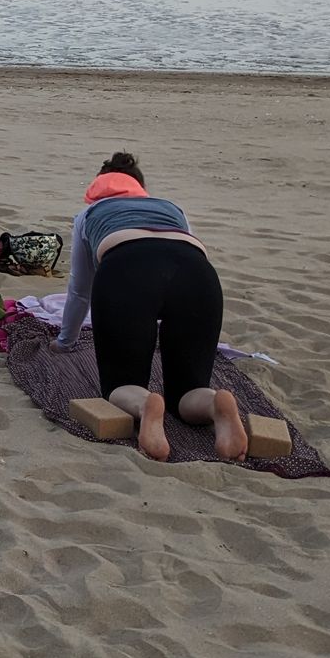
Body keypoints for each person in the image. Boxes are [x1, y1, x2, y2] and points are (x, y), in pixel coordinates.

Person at [59, 152, 247, 462]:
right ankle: (215, 405)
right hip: (197, 275)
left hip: (126, 270)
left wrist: (65, 342)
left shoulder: (88, 216)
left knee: (122, 385)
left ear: (96, 191)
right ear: (141, 188)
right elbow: (186, 246)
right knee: (188, 390)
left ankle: (145, 404)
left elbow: (80, 291)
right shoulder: (172, 208)